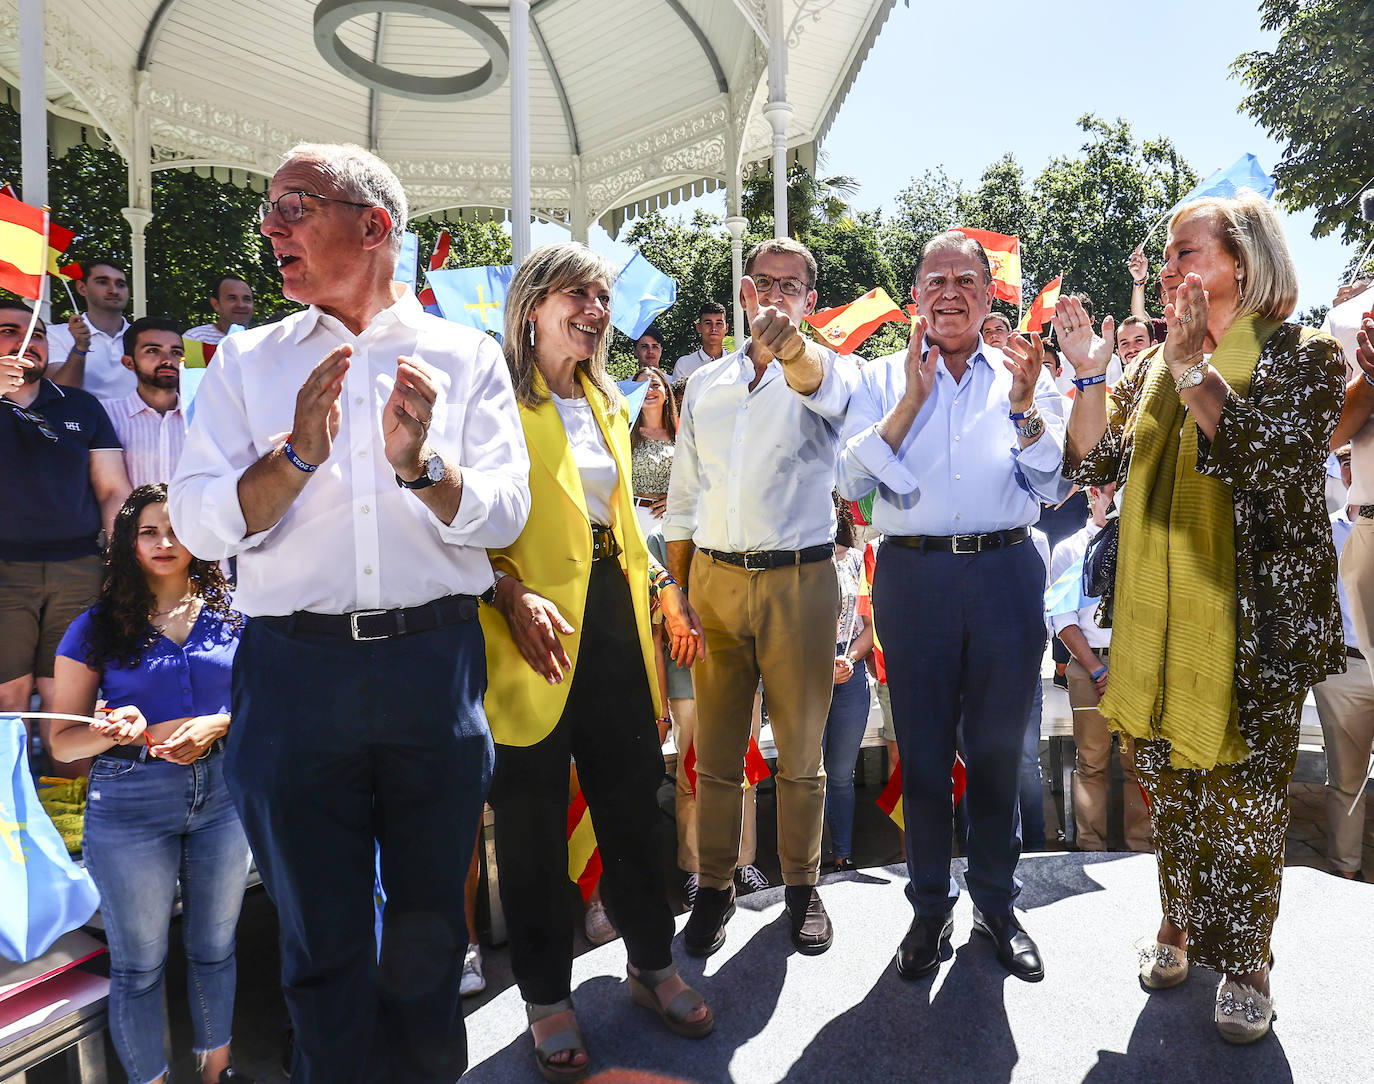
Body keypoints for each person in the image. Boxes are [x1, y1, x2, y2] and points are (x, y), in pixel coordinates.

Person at [169, 142, 531, 1083]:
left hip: (432, 671)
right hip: (294, 676)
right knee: (319, 948)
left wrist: (424, 468)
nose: (270, 226)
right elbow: (198, 522)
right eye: (270, 208)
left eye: (295, 204)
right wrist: (294, 456)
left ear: (373, 226)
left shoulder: (466, 355)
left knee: (431, 943)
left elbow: (505, 513)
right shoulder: (244, 361)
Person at [1059, 190, 1345, 1042]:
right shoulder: (1152, 366)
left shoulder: (1305, 354)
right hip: (1156, 629)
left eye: (1188, 252)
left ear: (1244, 262)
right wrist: (1088, 374)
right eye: (1169, 256)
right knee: (1175, 793)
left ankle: (1249, 962)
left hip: (1254, 631)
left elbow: (1270, 463)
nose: (1171, 268)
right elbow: (1094, 462)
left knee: (1245, 808)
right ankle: (1178, 922)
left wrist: (1194, 373)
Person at [480, 241, 713, 1082]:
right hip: (526, 629)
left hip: (616, 621)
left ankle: (651, 965)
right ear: (533, 305)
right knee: (533, 824)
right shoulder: (493, 402)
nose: (595, 309)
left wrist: (663, 587)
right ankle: (547, 998)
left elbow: (619, 524)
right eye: (576, 293)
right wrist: (507, 592)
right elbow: (457, 526)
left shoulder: (610, 398)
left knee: (632, 805)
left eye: (602, 296)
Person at [837, 229, 1072, 985]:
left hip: (1006, 572)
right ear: (916, 297)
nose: (949, 293)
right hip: (914, 577)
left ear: (987, 293)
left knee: (999, 753)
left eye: (965, 281)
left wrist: (1027, 408)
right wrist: (911, 402)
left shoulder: (1023, 372)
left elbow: (1055, 485)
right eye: (935, 280)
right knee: (925, 753)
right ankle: (929, 908)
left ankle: (997, 906)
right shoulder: (880, 377)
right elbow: (850, 481)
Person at [665, 237, 857, 958]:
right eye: (765, 283)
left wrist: (791, 349)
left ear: (811, 299)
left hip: (799, 582)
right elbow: (683, 499)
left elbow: (815, 381)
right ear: (746, 290)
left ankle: (803, 887)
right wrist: (677, 590)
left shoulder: (827, 373)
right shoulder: (705, 385)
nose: (776, 296)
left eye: (791, 285)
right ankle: (714, 888)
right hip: (713, 583)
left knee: (801, 756)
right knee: (715, 755)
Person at [47, 484, 251, 1084]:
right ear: (128, 543)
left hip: (224, 795)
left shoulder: (236, 613)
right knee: (139, 965)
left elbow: (271, 703)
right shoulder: (94, 627)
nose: (165, 542)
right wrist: (110, 732)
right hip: (130, 800)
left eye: (177, 529)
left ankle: (217, 1074)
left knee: (216, 949)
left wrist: (220, 723)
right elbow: (62, 743)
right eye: (148, 532)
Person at [0, 300, 131, 777]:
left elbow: (113, 489)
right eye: (9, 331)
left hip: (78, 568)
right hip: (4, 572)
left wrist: (121, 563)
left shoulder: (81, 405)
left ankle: (68, 803)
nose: (25, 343)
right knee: (8, 696)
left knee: (68, 696)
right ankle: (11, 806)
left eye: (36, 334)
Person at [1047, 482, 1152, 853]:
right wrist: (1097, 670)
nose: (1118, 495)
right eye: (1110, 489)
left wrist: (1130, 669)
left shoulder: (1145, 544)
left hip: (1137, 666)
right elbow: (1062, 619)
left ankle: (1141, 847)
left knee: (1140, 762)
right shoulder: (1070, 549)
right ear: (1092, 493)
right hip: (1089, 663)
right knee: (1091, 762)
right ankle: (1091, 847)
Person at [1311, 445, 1373, 880]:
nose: (1357, 470)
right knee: (1346, 780)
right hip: (1345, 671)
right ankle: (1345, 874)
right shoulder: (1321, 530)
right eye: (1348, 462)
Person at [821, 495, 874, 873]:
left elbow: (873, 624)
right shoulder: (795, 563)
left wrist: (849, 659)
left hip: (850, 674)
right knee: (807, 773)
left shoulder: (858, 560)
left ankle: (842, 854)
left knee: (841, 774)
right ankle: (807, 861)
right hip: (806, 674)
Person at [105, 317, 188, 488]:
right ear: (129, 362)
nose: (167, 360)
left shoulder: (202, 416)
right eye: (153, 351)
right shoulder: (107, 415)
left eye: (176, 352)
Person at [47, 259, 135, 399]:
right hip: (82, 413)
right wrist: (80, 348)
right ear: (82, 288)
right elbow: (61, 393)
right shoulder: (55, 335)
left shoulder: (145, 338)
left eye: (120, 284)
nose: (113, 290)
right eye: (102, 282)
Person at [630, 366, 677, 538]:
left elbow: (699, 476)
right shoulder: (624, 432)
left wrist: (677, 500)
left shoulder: (682, 432)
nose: (649, 390)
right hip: (633, 518)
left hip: (672, 520)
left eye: (655, 385)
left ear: (666, 392)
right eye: (642, 385)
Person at [185, 276, 256, 346]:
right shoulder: (195, 339)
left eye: (247, 299)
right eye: (232, 298)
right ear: (216, 304)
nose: (241, 305)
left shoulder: (260, 340)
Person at [671, 302, 728, 384]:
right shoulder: (684, 364)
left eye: (719, 323)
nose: (713, 328)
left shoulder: (737, 362)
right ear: (699, 327)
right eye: (708, 323)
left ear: (726, 328)